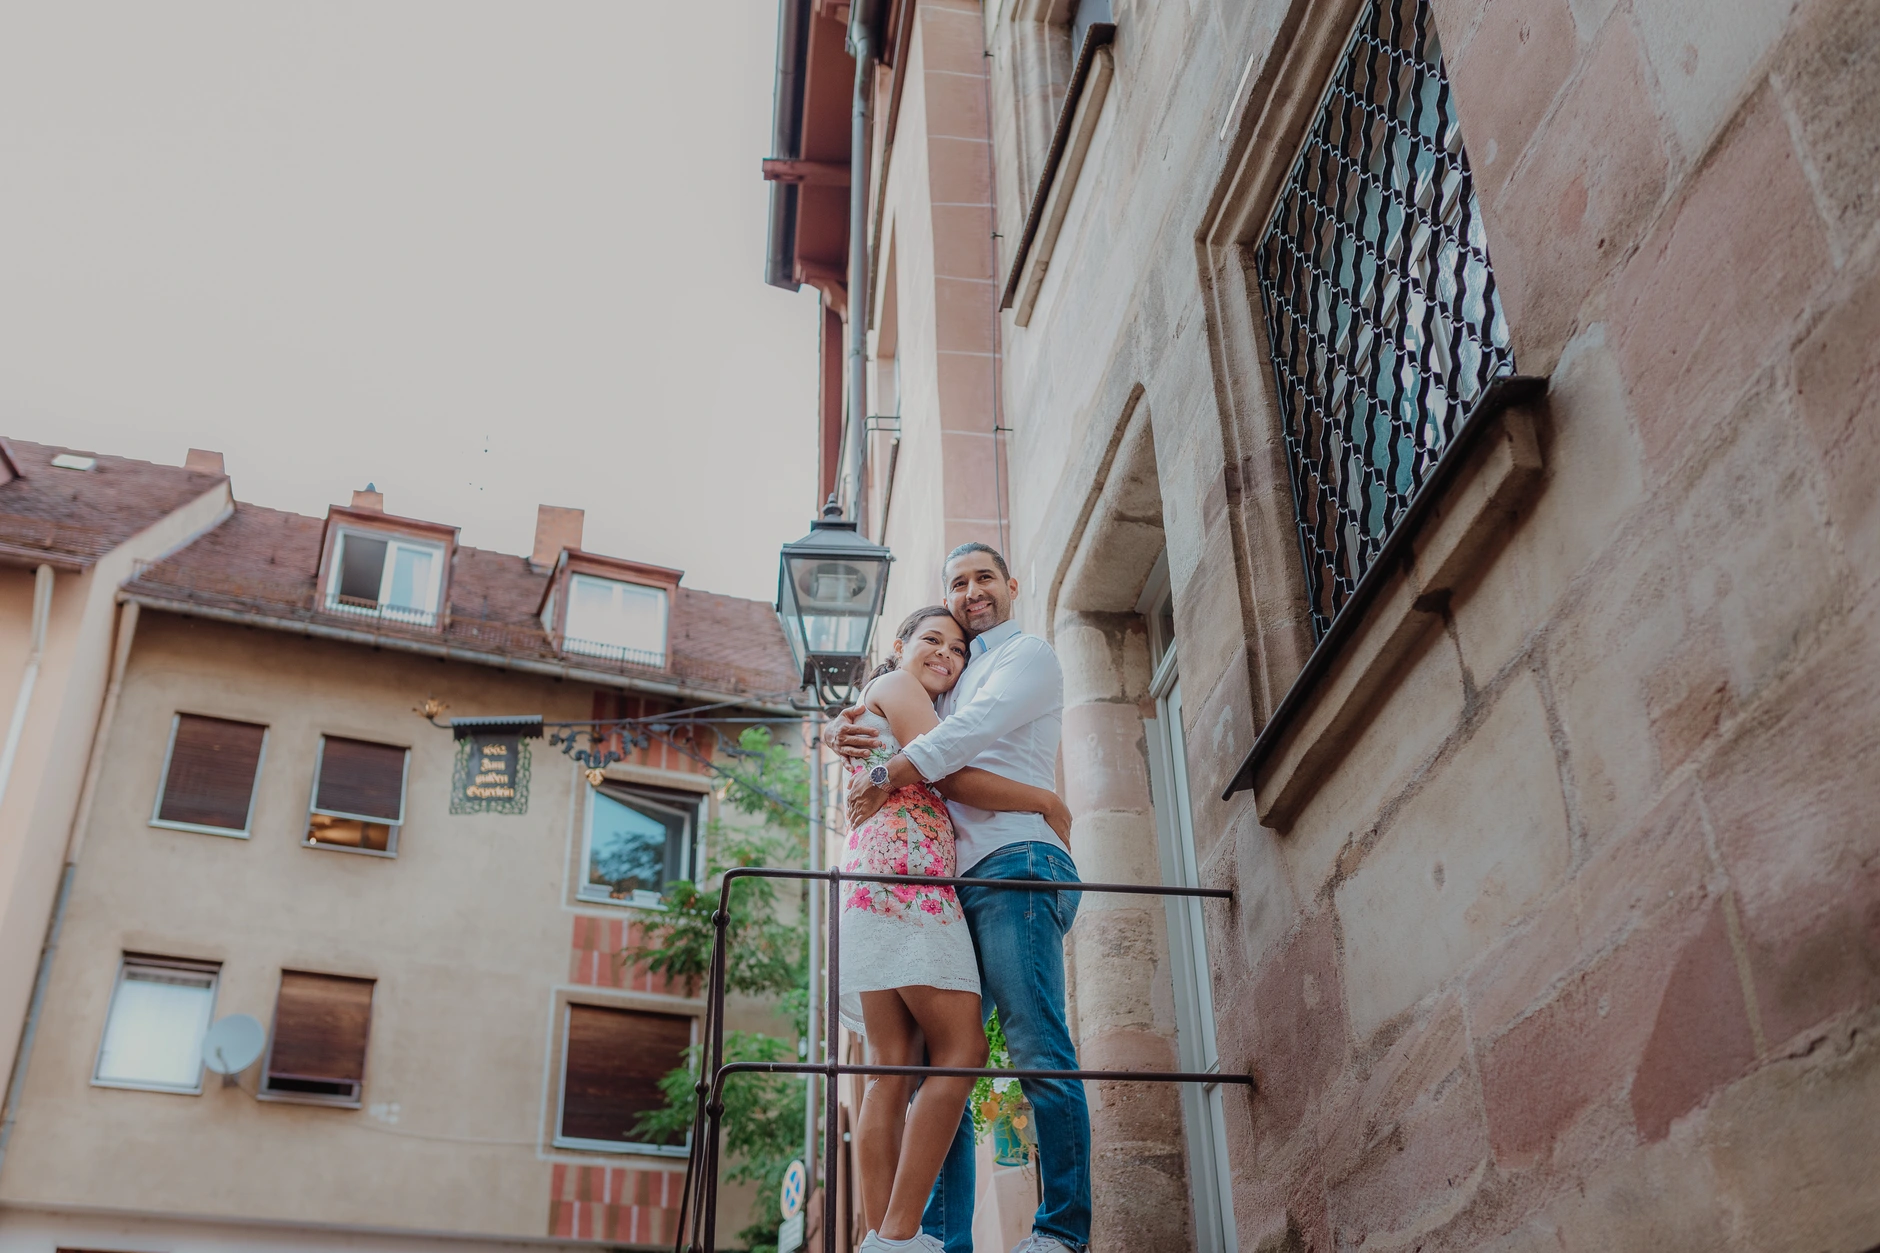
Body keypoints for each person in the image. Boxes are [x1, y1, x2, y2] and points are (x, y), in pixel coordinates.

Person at [839, 542, 1088, 1253]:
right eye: (956, 585)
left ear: (1010, 585)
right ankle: (919, 1238)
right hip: (935, 884)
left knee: (1027, 1046)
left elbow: (958, 743)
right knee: (929, 1061)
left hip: (1009, 865)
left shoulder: (1023, 657)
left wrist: (878, 754)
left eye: (983, 579)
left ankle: (1061, 1232)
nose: (970, 594)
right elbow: (926, 744)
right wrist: (850, 728)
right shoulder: (936, 682)